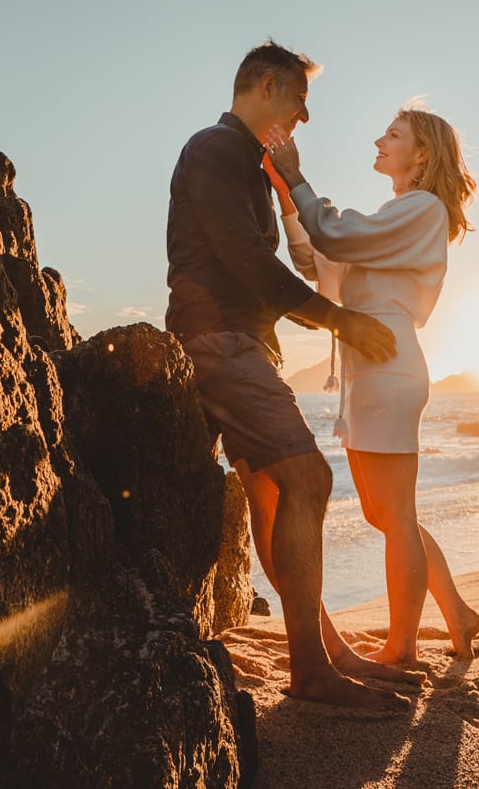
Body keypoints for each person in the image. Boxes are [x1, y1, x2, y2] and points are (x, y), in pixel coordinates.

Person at [166, 42, 418, 711]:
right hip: (220, 340)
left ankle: (326, 652)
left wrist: (287, 186)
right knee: (310, 478)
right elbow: (246, 261)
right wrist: (339, 321)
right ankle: (310, 668)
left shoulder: (245, 162)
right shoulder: (214, 149)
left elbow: (282, 258)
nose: (304, 116)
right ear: (269, 86)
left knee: (273, 500)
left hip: (239, 339)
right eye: (300, 100)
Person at [262, 102, 479, 663]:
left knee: (394, 515)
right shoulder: (394, 216)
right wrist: (290, 201)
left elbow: (337, 235)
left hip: (389, 368)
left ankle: (402, 646)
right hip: (369, 369)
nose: (379, 142)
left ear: (423, 154)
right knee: (384, 513)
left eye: (393, 135)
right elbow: (323, 267)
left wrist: (297, 177)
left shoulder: (422, 209)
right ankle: (457, 613)